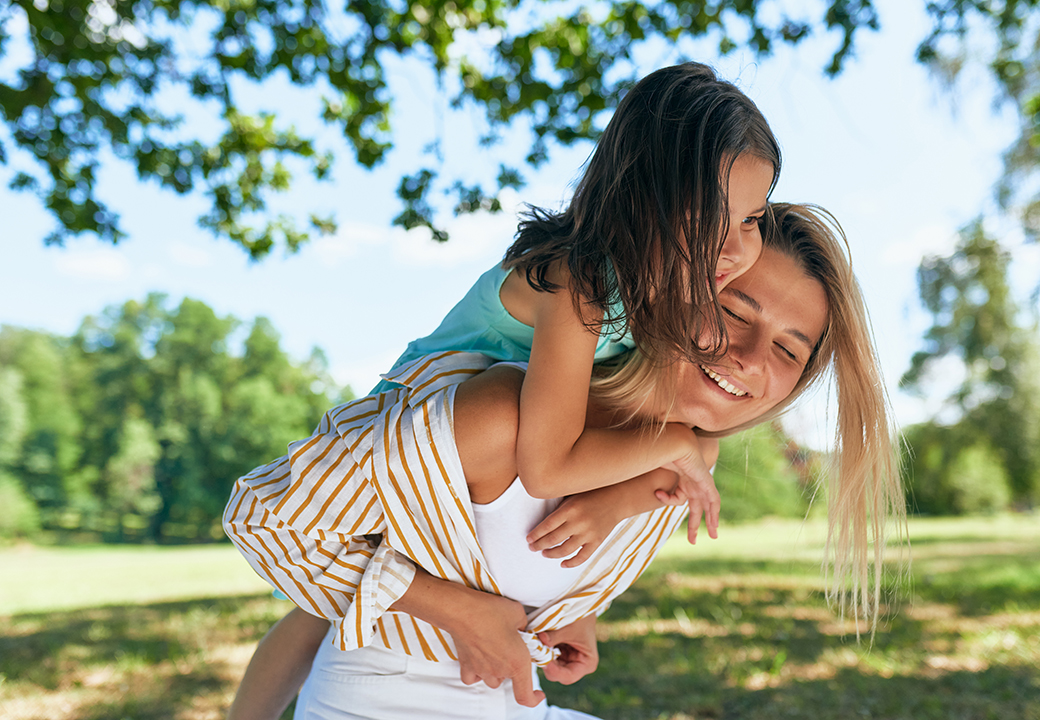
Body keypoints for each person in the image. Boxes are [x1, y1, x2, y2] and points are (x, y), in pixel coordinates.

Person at [225, 60, 781, 716]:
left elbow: (645, 432)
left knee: (339, 604)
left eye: (752, 219)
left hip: (485, 445)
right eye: (709, 216)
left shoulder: (654, 298)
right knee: (323, 606)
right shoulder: (578, 282)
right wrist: (678, 449)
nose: (734, 246)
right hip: (418, 432)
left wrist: (626, 500)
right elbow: (548, 468)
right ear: (644, 196)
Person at [223, 204, 905, 720]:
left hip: (506, 704)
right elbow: (269, 521)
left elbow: (521, 563)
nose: (752, 359)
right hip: (385, 704)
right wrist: (463, 613)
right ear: (677, 287)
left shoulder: (682, 459)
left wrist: (571, 611)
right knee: (317, 606)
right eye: (733, 311)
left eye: (789, 350)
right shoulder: (510, 407)